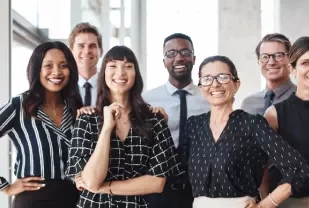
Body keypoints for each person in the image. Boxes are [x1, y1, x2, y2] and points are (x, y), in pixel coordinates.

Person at [0, 41, 82, 208]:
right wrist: (4, 187)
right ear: (36, 69)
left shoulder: (76, 108)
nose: (56, 72)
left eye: (63, 66)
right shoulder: (20, 106)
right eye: (48, 65)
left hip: (73, 199)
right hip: (33, 201)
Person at [185, 55, 309, 208]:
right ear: (201, 87)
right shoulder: (193, 125)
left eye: (223, 77)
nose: (215, 84)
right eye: (207, 79)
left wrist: (264, 205)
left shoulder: (252, 123)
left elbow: (298, 169)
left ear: (236, 84)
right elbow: (177, 173)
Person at [65, 45, 183, 207]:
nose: (120, 73)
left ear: (136, 74)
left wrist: (105, 188)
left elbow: (157, 182)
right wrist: (106, 129)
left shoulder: (154, 119)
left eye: (128, 66)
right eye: (113, 66)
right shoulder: (86, 120)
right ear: (103, 74)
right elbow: (92, 181)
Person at [143, 33, 210, 208]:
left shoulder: (209, 98)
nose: (179, 58)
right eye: (171, 53)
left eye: (185, 52)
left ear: (194, 58)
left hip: (200, 188)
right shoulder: (146, 99)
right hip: (158, 189)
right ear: (164, 61)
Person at [264, 36, 309, 208]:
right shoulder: (274, 114)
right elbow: (262, 166)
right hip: (289, 204)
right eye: (305, 63)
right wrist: (264, 200)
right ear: (292, 69)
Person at [241, 33, 296, 115]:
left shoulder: (302, 98)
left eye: (278, 55)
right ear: (258, 62)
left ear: (291, 60)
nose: (271, 62)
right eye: (265, 57)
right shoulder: (248, 104)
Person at [69, 22, 102, 106]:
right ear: (71, 52)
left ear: (101, 51)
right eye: (81, 46)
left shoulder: (111, 86)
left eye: (92, 46)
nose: (87, 51)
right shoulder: (63, 87)